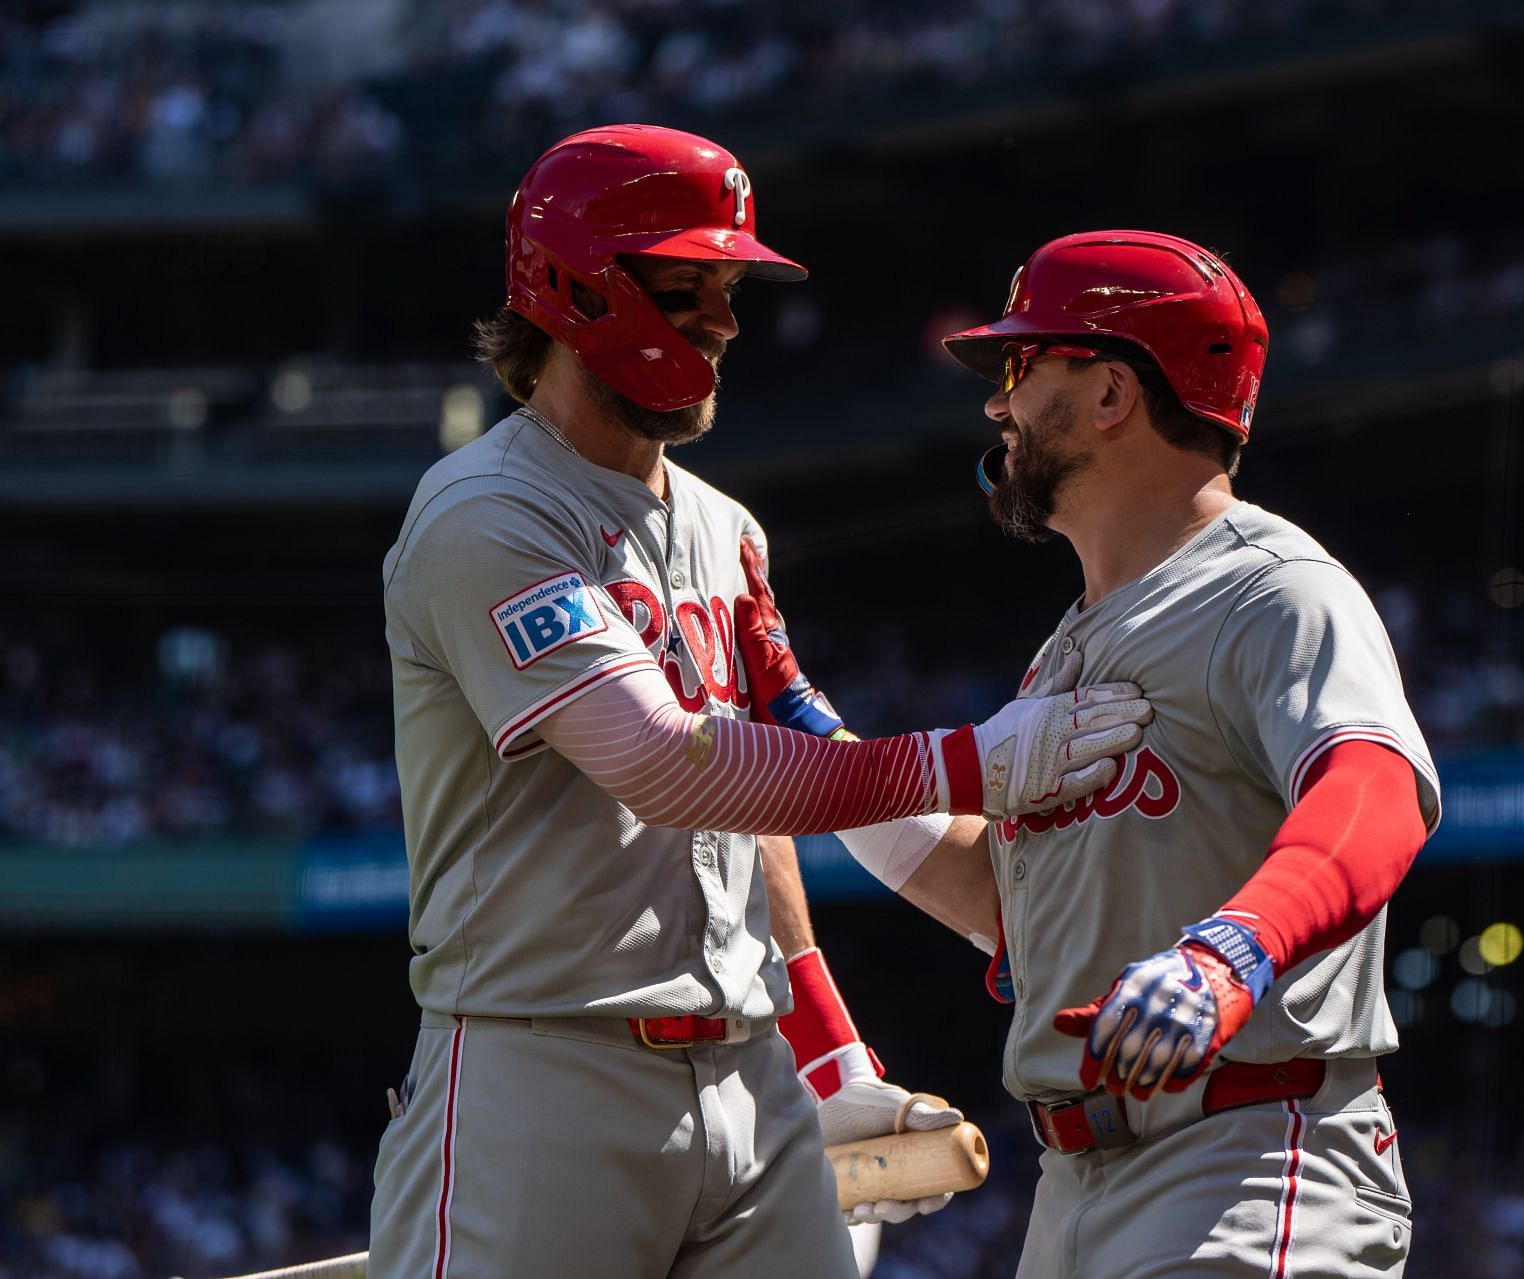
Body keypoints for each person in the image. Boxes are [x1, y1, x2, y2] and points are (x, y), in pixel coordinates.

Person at [367, 128, 1151, 1279]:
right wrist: (967, 761)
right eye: (690, 289)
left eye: (729, 291)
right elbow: (671, 763)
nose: (725, 324)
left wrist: (827, 1052)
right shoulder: (485, 510)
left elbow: (768, 778)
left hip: (745, 1067)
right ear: (574, 284)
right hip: (543, 1066)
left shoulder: (727, 528)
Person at [741, 230, 1442, 1278]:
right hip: (1075, 1186)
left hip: (1245, 1157)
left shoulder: (1273, 589)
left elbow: (1379, 789)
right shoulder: (1068, 647)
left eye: (1022, 369)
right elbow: (1003, 903)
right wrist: (800, 718)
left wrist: (1234, 949)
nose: (996, 406)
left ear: (1112, 393)